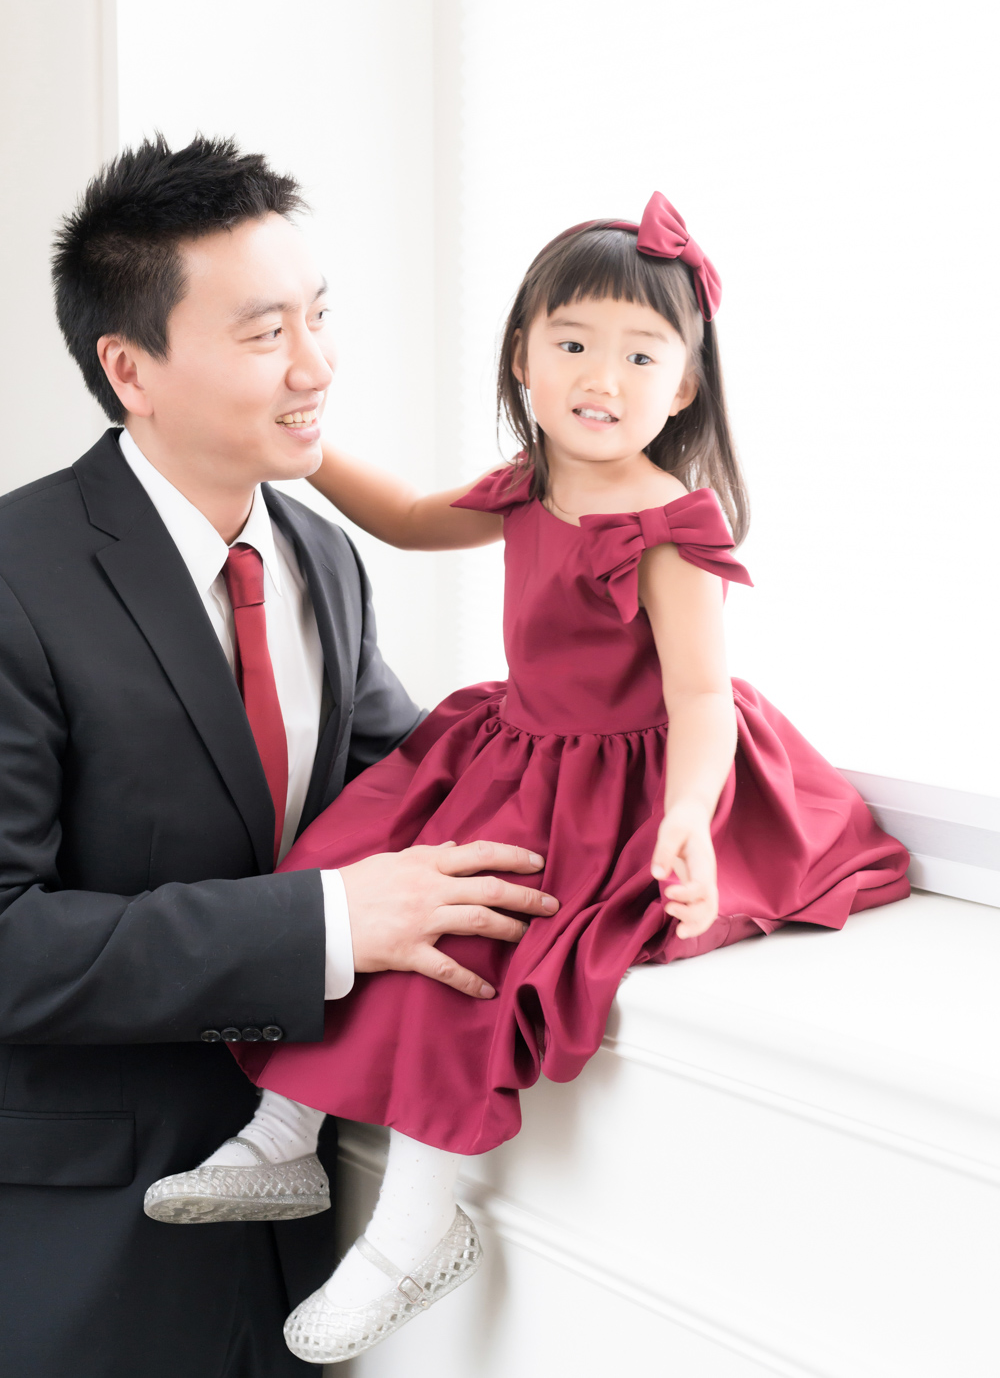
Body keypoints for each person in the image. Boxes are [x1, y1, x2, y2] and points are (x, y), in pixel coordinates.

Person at [148, 192, 911, 1366]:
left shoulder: (667, 529)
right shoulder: (527, 485)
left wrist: (690, 823)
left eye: (640, 353)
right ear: (522, 356)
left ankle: (412, 1236)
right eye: (571, 343)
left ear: (686, 388)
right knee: (337, 870)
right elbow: (403, 517)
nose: (600, 375)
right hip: (515, 748)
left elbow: (702, 700)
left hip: (622, 781)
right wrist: (289, 443)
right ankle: (282, 1135)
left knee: (475, 960)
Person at [0, 135, 558, 1378]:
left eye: (320, 316)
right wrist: (322, 926)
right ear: (129, 367)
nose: (317, 368)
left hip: (299, 1230)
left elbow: (413, 794)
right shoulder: (14, 580)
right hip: (74, 1241)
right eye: (265, 336)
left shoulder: (319, 554)